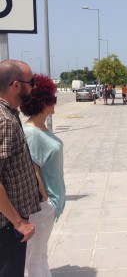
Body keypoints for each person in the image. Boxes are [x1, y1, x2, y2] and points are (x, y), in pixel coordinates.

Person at [20, 74, 66, 277]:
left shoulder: (41, 128)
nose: (55, 102)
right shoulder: (32, 133)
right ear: (42, 101)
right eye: (53, 98)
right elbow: (32, 170)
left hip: (47, 207)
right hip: (41, 208)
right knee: (34, 260)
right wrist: (47, 202)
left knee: (40, 255)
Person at [0, 59, 41, 277]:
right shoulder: (4, 120)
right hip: (7, 225)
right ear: (16, 85)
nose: (33, 86)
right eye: (31, 81)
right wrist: (18, 222)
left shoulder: (9, 115)